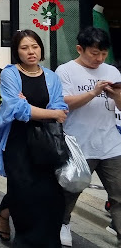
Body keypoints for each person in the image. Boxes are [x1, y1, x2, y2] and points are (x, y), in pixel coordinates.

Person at [0, 29, 69, 247]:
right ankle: (23, 240)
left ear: (41, 49)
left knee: (51, 197)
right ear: (17, 51)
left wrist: (33, 108)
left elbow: (60, 109)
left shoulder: (51, 76)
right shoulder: (10, 74)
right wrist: (49, 112)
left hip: (46, 142)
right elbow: (18, 110)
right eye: (24, 48)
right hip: (18, 143)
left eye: (34, 46)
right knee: (24, 196)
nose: (31, 52)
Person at [56, 27, 121, 247]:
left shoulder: (112, 72)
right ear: (79, 49)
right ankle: (63, 223)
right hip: (78, 143)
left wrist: (116, 96)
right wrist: (93, 92)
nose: (99, 59)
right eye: (94, 53)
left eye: (103, 54)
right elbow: (64, 103)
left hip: (111, 144)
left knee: (119, 193)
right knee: (70, 190)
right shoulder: (65, 71)